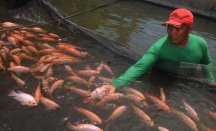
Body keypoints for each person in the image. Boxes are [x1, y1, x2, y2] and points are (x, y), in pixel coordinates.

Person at [110, 8, 216, 89]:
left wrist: (211, 80)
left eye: (177, 29)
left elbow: (207, 63)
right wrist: (115, 84)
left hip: (187, 81)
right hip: (162, 80)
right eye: (169, 28)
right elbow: (138, 67)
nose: (172, 33)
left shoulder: (201, 44)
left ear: (189, 29)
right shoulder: (159, 47)